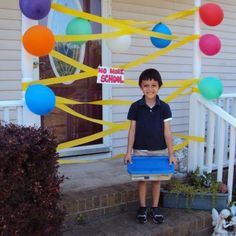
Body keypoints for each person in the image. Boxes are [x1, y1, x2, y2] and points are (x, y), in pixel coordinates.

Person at [124, 68, 177, 224]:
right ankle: (142, 208)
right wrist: (128, 152)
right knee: (142, 180)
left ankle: (154, 207)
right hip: (140, 150)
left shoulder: (165, 107)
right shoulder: (135, 106)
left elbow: (167, 132)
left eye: (153, 85)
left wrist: (171, 153)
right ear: (141, 87)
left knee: (156, 180)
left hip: (160, 150)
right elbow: (132, 130)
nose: (150, 88)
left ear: (159, 86)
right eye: (146, 85)